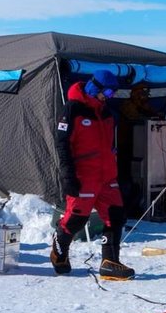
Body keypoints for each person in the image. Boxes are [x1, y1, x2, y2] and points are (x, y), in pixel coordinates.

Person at [49, 69, 135, 280]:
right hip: (83, 176)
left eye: (113, 93)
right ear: (94, 88)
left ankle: (110, 263)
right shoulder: (73, 110)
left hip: (107, 177)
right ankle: (59, 251)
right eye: (108, 92)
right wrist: (68, 176)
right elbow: (62, 145)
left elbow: (108, 146)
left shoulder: (106, 113)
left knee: (116, 216)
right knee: (76, 220)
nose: (109, 97)